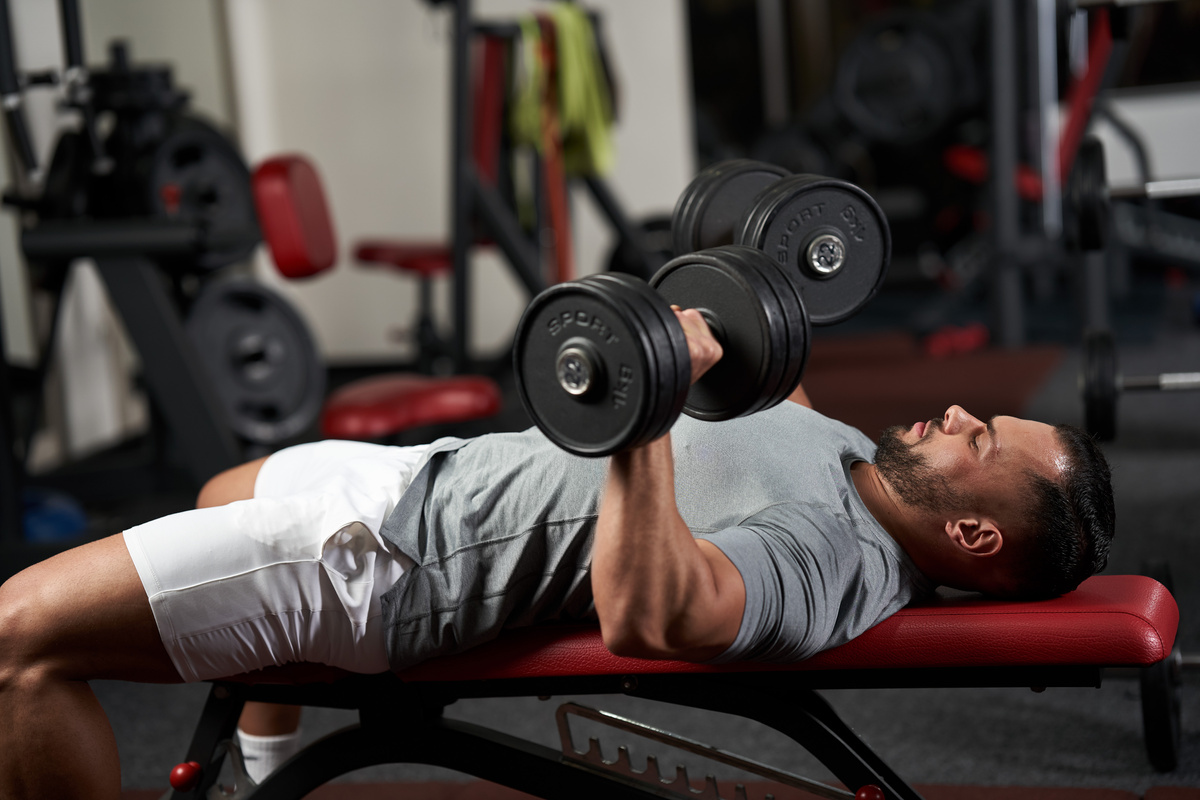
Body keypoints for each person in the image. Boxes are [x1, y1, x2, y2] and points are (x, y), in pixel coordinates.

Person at [0, 308, 1114, 799]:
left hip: (383, 560)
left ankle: (273, 723)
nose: (965, 411)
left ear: (972, 534)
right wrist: (750, 315)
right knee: (216, 490)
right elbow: (762, 420)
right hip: (429, 478)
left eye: (985, 441)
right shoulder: (853, 468)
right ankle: (270, 770)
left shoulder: (832, 559)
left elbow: (660, 614)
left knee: (22, 638)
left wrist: (644, 408)